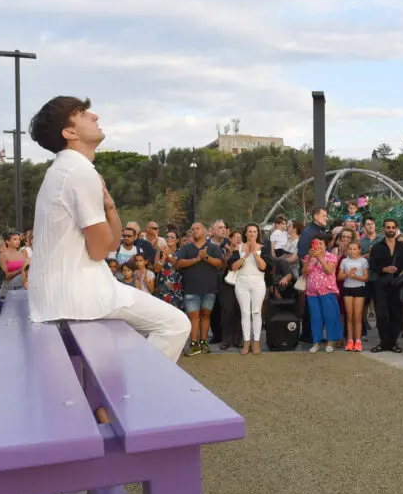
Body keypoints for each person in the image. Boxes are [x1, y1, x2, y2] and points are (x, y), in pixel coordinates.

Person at [27, 95, 190, 362]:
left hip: (58, 295)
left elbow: (112, 245)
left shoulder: (62, 170)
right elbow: (101, 250)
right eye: (83, 113)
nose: (95, 116)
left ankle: (119, 393)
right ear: (69, 132)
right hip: (81, 295)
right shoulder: (80, 172)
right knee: (176, 324)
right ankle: (134, 396)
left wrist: (110, 207)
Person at [176, 222, 225, 356]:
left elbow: (221, 264)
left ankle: (203, 342)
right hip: (191, 288)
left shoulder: (213, 248)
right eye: (192, 229)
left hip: (209, 288)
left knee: (205, 315)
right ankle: (194, 344)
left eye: (197, 228)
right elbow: (178, 263)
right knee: (193, 316)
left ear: (204, 231)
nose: (195, 231)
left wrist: (206, 257)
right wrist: (197, 259)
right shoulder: (186, 248)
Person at [369, 218, 403, 354]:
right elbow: (372, 266)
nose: (390, 230)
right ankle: (383, 342)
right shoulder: (377, 247)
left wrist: (402, 273)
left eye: (393, 227)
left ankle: (393, 343)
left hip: (397, 285)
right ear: (384, 229)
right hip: (381, 284)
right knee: (381, 315)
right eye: (388, 227)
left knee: (396, 314)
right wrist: (384, 269)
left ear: (396, 229)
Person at [227, 223, 269, 355]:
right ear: (245, 233)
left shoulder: (264, 248)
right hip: (241, 283)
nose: (251, 234)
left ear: (258, 234)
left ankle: (256, 341)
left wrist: (254, 253)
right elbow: (233, 267)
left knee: (256, 312)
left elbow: (263, 267)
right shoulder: (238, 248)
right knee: (245, 313)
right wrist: (245, 255)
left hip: (258, 282)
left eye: (254, 232)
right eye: (249, 231)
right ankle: (246, 341)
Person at [303, 234, 343, 353]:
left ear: (326, 245)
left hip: (328, 291)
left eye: (321, 243)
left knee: (330, 316)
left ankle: (330, 342)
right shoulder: (308, 257)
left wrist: (320, 258)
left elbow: (329, 270)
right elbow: (304, 271)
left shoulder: (331, 257)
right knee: (315, 317)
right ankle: (316, 342)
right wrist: (310, 258)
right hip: (312, 293)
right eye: (315, 243)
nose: (318, 246)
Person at [339, 240, 369, 352]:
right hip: (347, 289)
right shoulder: (344, 261)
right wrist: (348, 274)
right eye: (350, 249)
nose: (352, 251)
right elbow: (339, 277)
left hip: (360, 289)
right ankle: (350, 340)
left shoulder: (363, 261)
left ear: (359, 250)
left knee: (357, 316)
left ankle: (358, 341)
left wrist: (355, 276)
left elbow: (366, 278)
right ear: (347, 250)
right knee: (349, 316)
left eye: (355, 249)